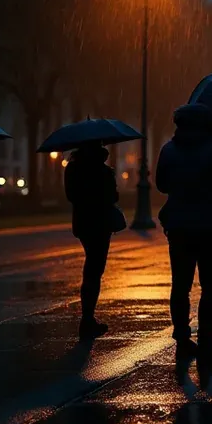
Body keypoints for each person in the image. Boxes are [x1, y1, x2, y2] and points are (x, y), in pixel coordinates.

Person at [155, 104, 212, 361]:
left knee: (180, 284)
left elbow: (161, 185)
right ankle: (205, 340)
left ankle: (182, 338)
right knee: (210, 286)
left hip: (179, 226)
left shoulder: (169, 150)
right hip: (210, 225)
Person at [64, 142, 123, 339]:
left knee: (92, 265)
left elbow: (71, 195)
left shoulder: (72, 168)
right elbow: (112, 197)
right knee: (95, 269)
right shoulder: (103, 170)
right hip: (101, 222)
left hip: (82, 222)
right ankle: (87, 319)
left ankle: (88, 318)